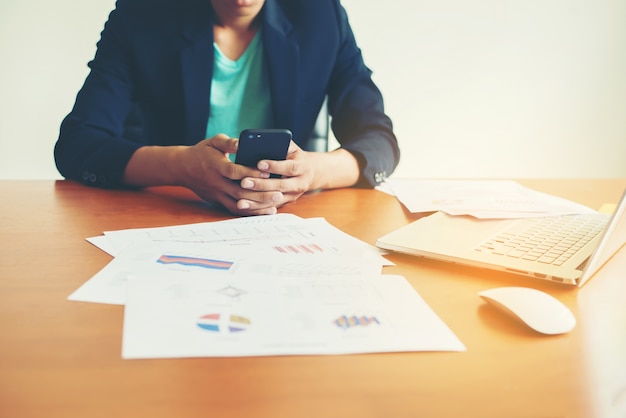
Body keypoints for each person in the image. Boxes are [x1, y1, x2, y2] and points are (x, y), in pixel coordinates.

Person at [54, 0, 400, 216]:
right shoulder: (141, 14)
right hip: (165, 216)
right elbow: (77, 144)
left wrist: (313, 172)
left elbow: (378, 140)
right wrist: (179, 166)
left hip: (286, 223)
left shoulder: (322, 15)